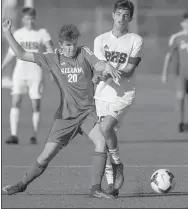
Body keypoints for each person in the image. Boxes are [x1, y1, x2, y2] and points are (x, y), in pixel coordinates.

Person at [2, 18, 122, 199]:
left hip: (87, 113)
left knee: (101, 141)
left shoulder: (84, 52)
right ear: (60, 45)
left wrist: (107, 66)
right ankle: (22, 184)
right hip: (65, 117)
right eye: (68, 45)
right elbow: (21, 54)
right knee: (45, 156)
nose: (72, 48)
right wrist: (6, 33)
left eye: (74, 44)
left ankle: (95, 188)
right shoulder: (52, 58)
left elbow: (98, 64)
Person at [93, 0, 143, 196]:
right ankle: (112, 186)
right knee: (102, 140)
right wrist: (102, 71)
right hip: (102, 94)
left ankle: (118, 164)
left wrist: (111, 70)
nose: (122, 18)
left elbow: (129, 71)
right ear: (112, 15)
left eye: (126, 15)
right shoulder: (100, 40)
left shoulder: (135, 40)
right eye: (119, 14)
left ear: (131, 18)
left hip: (123, 94)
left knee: (105, 128)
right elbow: (97, 65)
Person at [2, 7, 54, 145]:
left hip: (35, 74)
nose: (30, 21)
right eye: (27, 18)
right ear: (23, 19)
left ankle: (34, 135)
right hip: (20, 73)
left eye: (32, 18)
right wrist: (2, 67)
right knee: (16, 101)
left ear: (35, 19)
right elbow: (11, 53)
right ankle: (13, 135)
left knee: (35, 104)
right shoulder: (18, 34)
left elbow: (50, 51)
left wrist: (53, 69)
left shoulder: (42, 33)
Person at [162, 11, 188, 132]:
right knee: (181, 97)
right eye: (186, 21)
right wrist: (164, 73)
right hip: (182, 74)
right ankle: (181, 122)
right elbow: (169, 56)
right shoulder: (176, 37)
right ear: (182, 23)